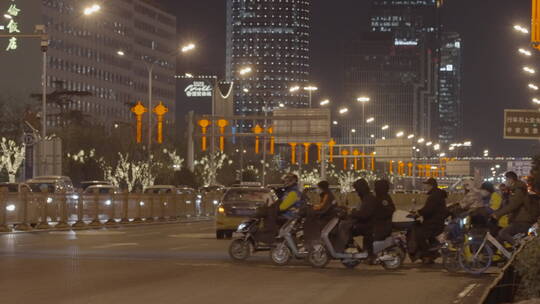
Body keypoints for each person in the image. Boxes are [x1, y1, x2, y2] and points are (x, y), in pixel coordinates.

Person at [492, 172, 537, 247]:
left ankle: (519, 247)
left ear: (511, 180)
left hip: (522, 221)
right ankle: (506, 256)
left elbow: (513, 205)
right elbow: (505, 205)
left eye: (505, 179)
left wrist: (497, 214)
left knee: (503, 233)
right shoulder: (512, 190)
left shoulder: (519, 190)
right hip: (517, 220)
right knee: (499, 237)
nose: (504, 182)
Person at [411, 177, 449, 263]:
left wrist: (418, 213)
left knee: (419, 235)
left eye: (426, 185)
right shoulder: (437, 194)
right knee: (427, 236)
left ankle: (427, 255)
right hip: (437, 221)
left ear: (430, 186)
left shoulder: (434, 196)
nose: (425, 187)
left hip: (434, 223)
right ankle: (431, 254)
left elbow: (428, 209)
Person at [348, 179, 378, 258]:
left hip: (369, 225)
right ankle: (362, 252)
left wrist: (353, 213)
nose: (357, 192)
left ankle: (357, 252)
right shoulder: (366, 197)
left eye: (357, 190)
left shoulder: (369, 198)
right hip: (367, 223)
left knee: (347, 230)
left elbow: (365, 214)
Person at [304, 181, 336, 249]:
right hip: (327, 215)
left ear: (322, 188)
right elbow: (322, 205)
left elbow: (323, 207)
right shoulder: (327, 194)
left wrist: (312, 208)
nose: (318, 189)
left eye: (319, 188)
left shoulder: (327, 195)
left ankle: (312, 242)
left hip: (327, 216)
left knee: (309, 222)